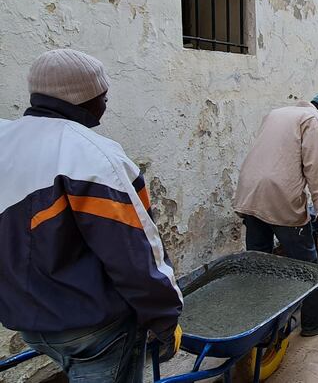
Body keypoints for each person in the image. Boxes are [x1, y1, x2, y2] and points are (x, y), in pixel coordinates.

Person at [0, 49, 183, 382]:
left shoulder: (5, 138)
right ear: (83, 98)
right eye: (104, 95)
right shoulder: (94, 157)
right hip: (93, 330)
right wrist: (165, 319)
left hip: (26, 319)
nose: (106, 102)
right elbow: (135, 255)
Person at [234, 92, 318, 337]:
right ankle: (313, 321)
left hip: (250, 191)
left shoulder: (278, 113)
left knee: (258, 260)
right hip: (280, 194)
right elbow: (317, 166)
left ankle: (256, 320)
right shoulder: (315, 120)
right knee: (306, 262)